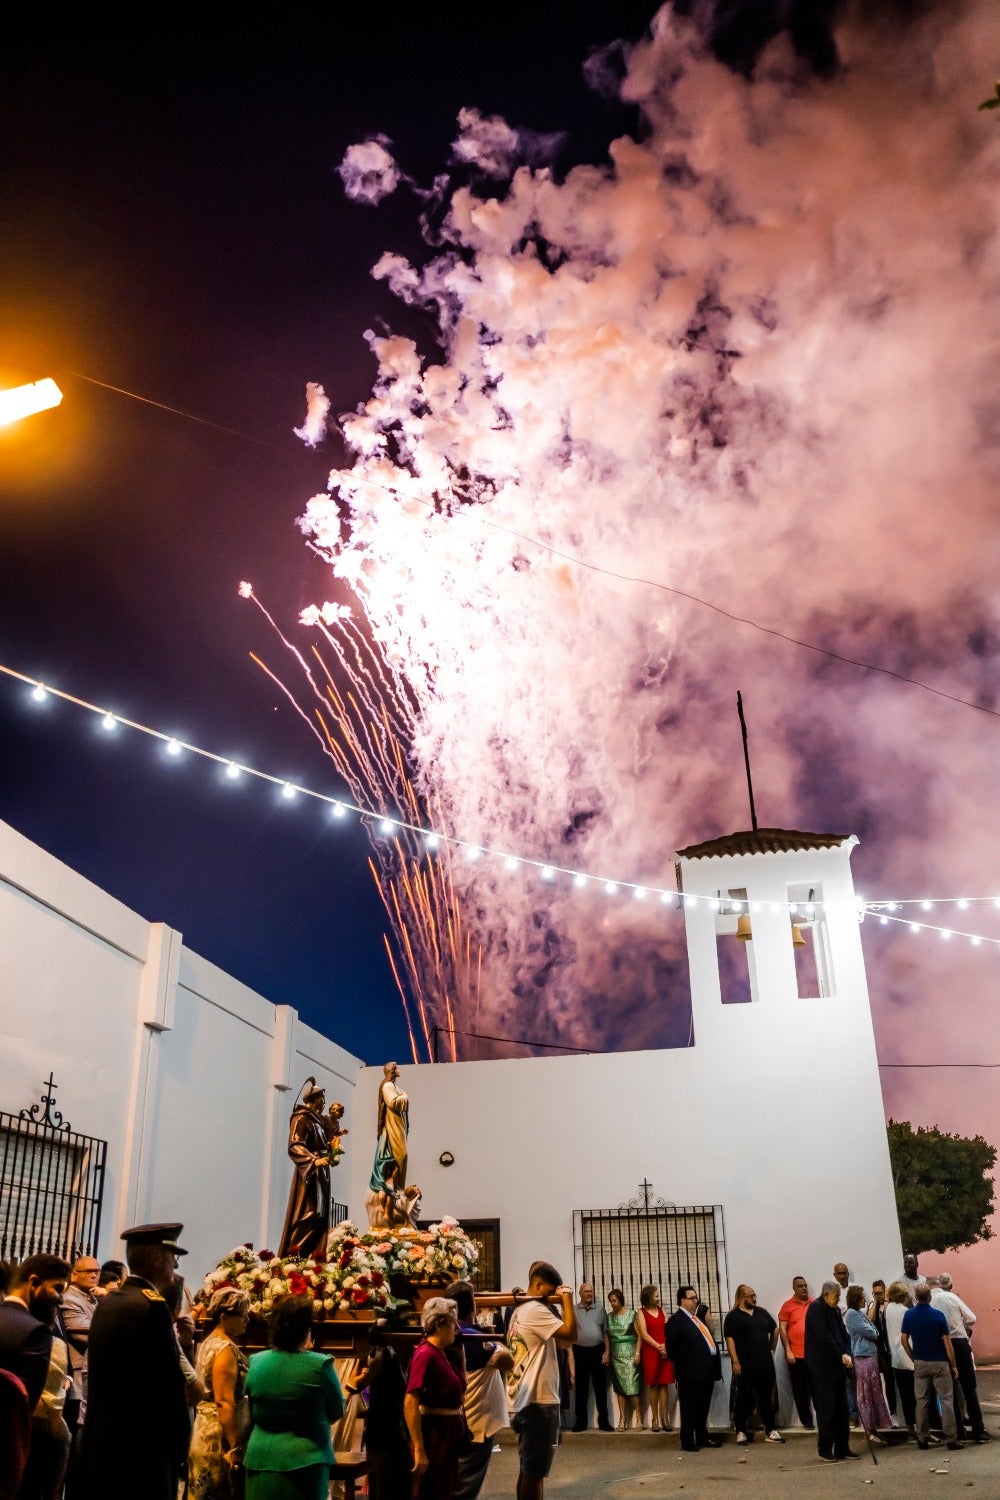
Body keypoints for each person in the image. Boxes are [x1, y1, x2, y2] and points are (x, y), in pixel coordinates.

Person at [79, 1221, 191, 1500]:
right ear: (155, 1258)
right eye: (172, 1258)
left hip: (104, 1451)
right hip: (142, 1457)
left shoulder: (110, 1302)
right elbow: (170, 1388)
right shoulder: (151, 1308)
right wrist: (180, 1449)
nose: (175, 1267)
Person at [244, 1293, 345, 1500]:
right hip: (306, 1461)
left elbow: (249, 1407)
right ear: (307, 1331)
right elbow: (337, 1411)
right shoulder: (321, 1365)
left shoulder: (255, 1362)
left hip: (260, 1459)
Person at [507, 1261, 577, 1500]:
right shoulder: (535, 1310)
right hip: (538, 1402)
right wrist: (567, 1298)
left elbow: (563, 1343)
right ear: (537, 1285)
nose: (552, 1297)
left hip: (524, 1400)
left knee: (528, 1469)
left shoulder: (520, 1310)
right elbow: (572, 1335)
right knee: (534, 1473)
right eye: (550, 1291)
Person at [445, 1280, 512, 1500]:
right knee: (464, 1487)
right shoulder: (473, 1337)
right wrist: (497, 1341)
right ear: (472, 1308)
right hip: (476, 1422)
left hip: (455, 1419)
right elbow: (507, 1361)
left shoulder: (448, 1333)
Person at [189, 1288, 251, 1500]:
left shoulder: (209, 1342)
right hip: (218, 1434)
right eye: (242, 1315)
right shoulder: (225, 1348)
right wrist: (235, 1446)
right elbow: (224, 1401)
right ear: (224, 1317)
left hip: (204, 1426)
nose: (247, 1320)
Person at [404, 1297, 467, 1499]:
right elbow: (410, 1401)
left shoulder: (442, 1353)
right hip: (435, 1436)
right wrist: (420, 1450)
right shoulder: (426, 1354)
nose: (456, 1327)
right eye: (452, 1322)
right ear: (440, 1324)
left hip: (447, 1435)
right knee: (432, 1492)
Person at [0, 1253, 68, 1413]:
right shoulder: (36, 1331)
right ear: (34, 1282)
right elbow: (28, 1406)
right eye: (57, 1288)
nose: (61, 1299)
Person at [278, 1082, 340, 1259]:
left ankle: (310, 1258)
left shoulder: (316, 1120)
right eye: (322, 1098)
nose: (324, 1102)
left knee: (319, 1216)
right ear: (314, 1099)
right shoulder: (301, 1118)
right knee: (309, 1213)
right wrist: (314, 1161)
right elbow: (295, 1144)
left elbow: (321, 1142)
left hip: (321, 1172)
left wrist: (332, 1149)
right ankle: (294, 1257)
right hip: (310, 1172)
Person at [931, 1273, 989, 1444]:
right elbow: (971, 1318)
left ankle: (958, 1431)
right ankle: (978, 1430)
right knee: (969, 1388)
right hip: (959, 1342)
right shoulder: (951, 1297)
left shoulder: (928, 1301)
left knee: (949, 1391)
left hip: (940, 1344)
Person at [901, 1283, 960, 1450]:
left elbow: (904, 1339)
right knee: (946, 1400)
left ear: (916, 1297)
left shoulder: (909, 1315)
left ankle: (922, 1437)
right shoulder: (938, 1316)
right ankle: (951, 1438)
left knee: (922, 1401)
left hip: (920, 1362)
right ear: (929, 1297)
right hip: (940, 1362)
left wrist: (913, 1356)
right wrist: (953, 1364)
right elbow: (947, 1343)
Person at [804, 1280, 857, 1462]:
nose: (838, 1299)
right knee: (826, 1410)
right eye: (836, 1296)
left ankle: (843, 1447)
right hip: (822, 1367)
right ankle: (825, 1449)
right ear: (826, 1294)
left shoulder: (834, 1311)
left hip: (838, 1367)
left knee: (842, 1408)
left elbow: (844, 1333)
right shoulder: (815, 1309)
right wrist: (841, 1354)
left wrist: (848, 1352)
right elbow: (823, 1338)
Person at [723, 1284, 783, 1444]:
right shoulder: (733, 1317)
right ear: (741, 1298)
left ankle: (770, 1430)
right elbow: (730, 1340)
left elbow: (775, 1329)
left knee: (766, 1398)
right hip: (745, 1365)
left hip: (765, 1364)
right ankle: (741, 1431)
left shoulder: (761, 1313)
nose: (754, 1299)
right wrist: (735, 1361)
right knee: (743, 1398)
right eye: (751, 1296)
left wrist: (772, 1349)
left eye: (755, 1295)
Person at [665, 1286, 722, 1453]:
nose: (696, 1301)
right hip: (690, 1372)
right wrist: (686, 1363)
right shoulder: (676, 1321)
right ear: (683, 1300)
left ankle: (703, 1437)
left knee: (703, 1407)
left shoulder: (697, 1319)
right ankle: (688, 1440)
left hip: (706, 1371)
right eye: (693, 1298)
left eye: (696, 1298)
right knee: (689, 1407)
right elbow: (672, 1349)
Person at [843, 1286, 891, 1441]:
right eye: (863, 1297)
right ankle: (869, 1429)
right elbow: (872, 1332)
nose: (865, 1299)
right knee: (866, 1393)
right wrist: (872, 1329)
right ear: (856, 1299)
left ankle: (874, 1428)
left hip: (870, 1356)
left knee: (874, 1391)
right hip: (862, 1357)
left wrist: (872, 1329)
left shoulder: (859, 1314)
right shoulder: (852, 1314)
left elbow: (872, 1329)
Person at [570, 1282, 611, 1432]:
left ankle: (604, 1422)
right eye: (586, 1291)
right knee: (581, 1390)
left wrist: (607, 1352)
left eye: (591, 1291)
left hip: (598, 1351)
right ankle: (580, 1422)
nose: (589, 1294)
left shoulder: (600, 1309)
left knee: (601, 1389)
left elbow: (606, 1333)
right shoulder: (573, 1310)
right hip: (579, 1352)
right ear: (580, 1293)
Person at [778, 1275, 814, 1429]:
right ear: (794, 1289)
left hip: (814, 1355)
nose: (804, 1288)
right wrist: (788, 1351)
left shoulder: (815, 1304)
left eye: (805, 1285)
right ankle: (807, 1422)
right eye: (800, 1286)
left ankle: (824, 1419)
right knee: (800, 1390)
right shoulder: (787, 1306)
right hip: (796, 1356)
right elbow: (782, 1329)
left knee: (817, 1388)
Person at [369, 1061, 410, 1198]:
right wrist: (404, 1097)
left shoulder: (394, 1086)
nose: (398, 1069)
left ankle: (396, 1185)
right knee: (400, 1155)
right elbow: (392, 1102)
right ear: (391, 1070)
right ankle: (391, 1182)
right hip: (392, 1125)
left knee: (401, 1156)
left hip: (398, 1125)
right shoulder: (387, 1086)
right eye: (396, 1067)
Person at [635, 1285, 672, 1433]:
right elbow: (643, 1334)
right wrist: (658, 1346)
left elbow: (668, 1330)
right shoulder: (641, 1312)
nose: (659, 1298)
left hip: (664, 1350)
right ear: (649, 1297)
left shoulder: (663, 1310)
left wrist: (666, 1346)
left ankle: (665, 1418)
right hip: (651, 1351)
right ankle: (655, 1418)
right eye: (656, 1295)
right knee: (654, 1385)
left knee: (664, 1385)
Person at [883, 1281, 916, 1434]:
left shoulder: (888, 1309)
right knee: (914, 1395)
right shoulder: (905, 1311)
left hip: (895, 1358)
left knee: (904, 1394)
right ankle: (915, 1425)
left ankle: (910, 1426)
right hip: (908, 1357)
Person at [606, 1289, 640, 1431]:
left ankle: (639, 1418)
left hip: (631, 1353)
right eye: (611, 1301)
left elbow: (640, 1335)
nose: (612, 1304)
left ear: (620, 1300)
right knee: (619, 1388)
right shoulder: (609, 1317)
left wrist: (638, 1353)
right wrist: (607, 1353)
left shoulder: (632, 1315)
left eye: (614, 1300)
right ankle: (622, 1419)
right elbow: (607, 1336)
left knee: (632, 1387)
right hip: (616, 1355)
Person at [866, 1280, 896, 1424]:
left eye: (880, 1293)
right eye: (875, 1293)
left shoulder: (889, 1305)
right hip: (877, 1351)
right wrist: (875, 1303)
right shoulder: (872, 1306)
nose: (878, 1295)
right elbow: (869, 1320)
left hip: (889, 1349)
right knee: (877, 1383)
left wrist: (885, 1303)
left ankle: (894, 1413)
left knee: (890, 1382)